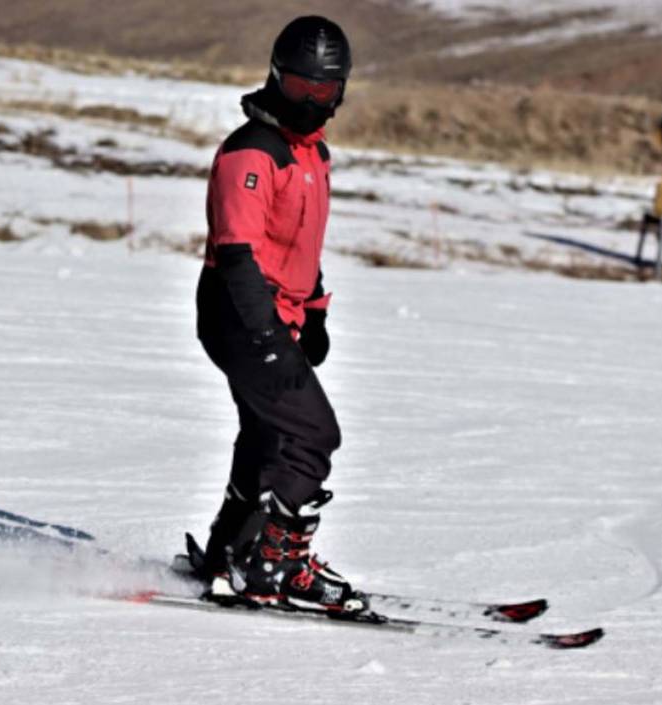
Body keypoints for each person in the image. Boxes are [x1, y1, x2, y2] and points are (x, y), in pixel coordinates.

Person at [194, 16, 368, 615]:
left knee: (268, 435)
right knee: (312, 435)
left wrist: (314, 312)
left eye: (325, 91)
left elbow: (299, 247)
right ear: (274, 78)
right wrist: (267, 336)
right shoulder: (250, 153)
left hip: (276, 315)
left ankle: (227, 550)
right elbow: (238, 254)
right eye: (300, 88)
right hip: (239, 314)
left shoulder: (314, 155)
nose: (313, 102)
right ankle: (276, 564)